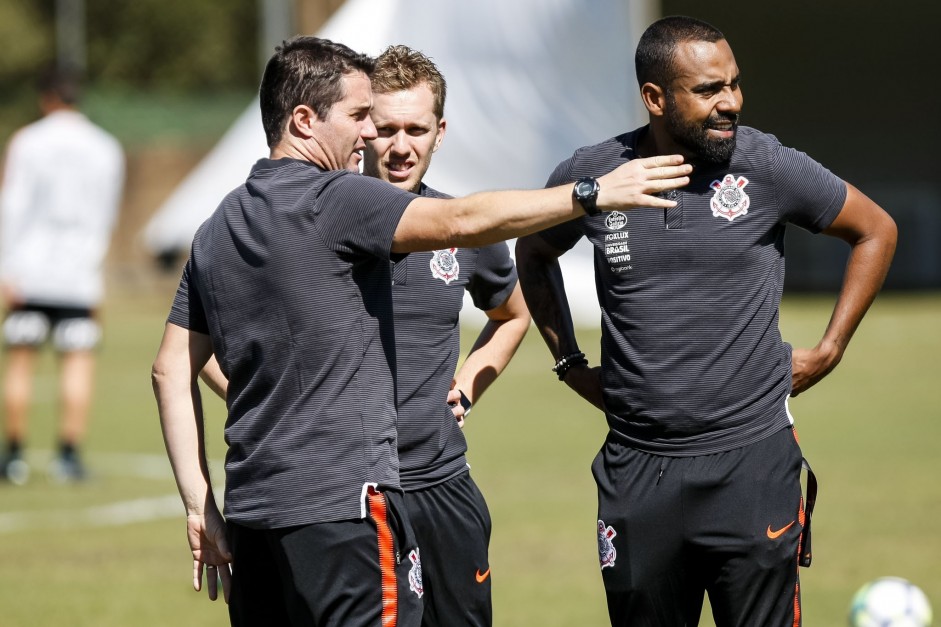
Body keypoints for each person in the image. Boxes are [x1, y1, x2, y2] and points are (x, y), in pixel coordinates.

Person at [151, 36, 691, 626]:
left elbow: (169, 366)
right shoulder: (336, 199)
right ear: (304, 120)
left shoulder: (216, 225)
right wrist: (591, 193)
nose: (371, 136)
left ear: (440, 130)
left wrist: (199, 505)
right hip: (347, 506)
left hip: (259, 514)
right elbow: (460, 220)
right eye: (361, 118)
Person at [515, 16, 897, 627]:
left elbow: (875, 230)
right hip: (638, 470)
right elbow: (533, 253)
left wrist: (830, 349)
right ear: (655, 98)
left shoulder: (767, 166)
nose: (731, 103)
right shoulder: (597, 175)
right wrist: (568, 363)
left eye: (734, 84)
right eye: (709, 90)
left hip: (751, 464)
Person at [365, 45, 529, 626]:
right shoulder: (317, 224)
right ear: (362, 128)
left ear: (441, 131)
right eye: (385, 128)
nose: (400, 145)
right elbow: (203, 342)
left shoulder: (465, 228)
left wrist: (468, 383)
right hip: (355, 495)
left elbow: (513, 314)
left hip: (443, 486)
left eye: (415, 128)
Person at [0, 67, 125, 485]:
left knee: (21, 360)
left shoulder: (28, 141)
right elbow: (106, 214)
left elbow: (12, 206)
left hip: (30, 270)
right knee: (77, 362)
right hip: (78, 273)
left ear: (45, 98)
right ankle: (68, 455)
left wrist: (6, 268)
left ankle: (13, 456)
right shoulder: (105, 147)